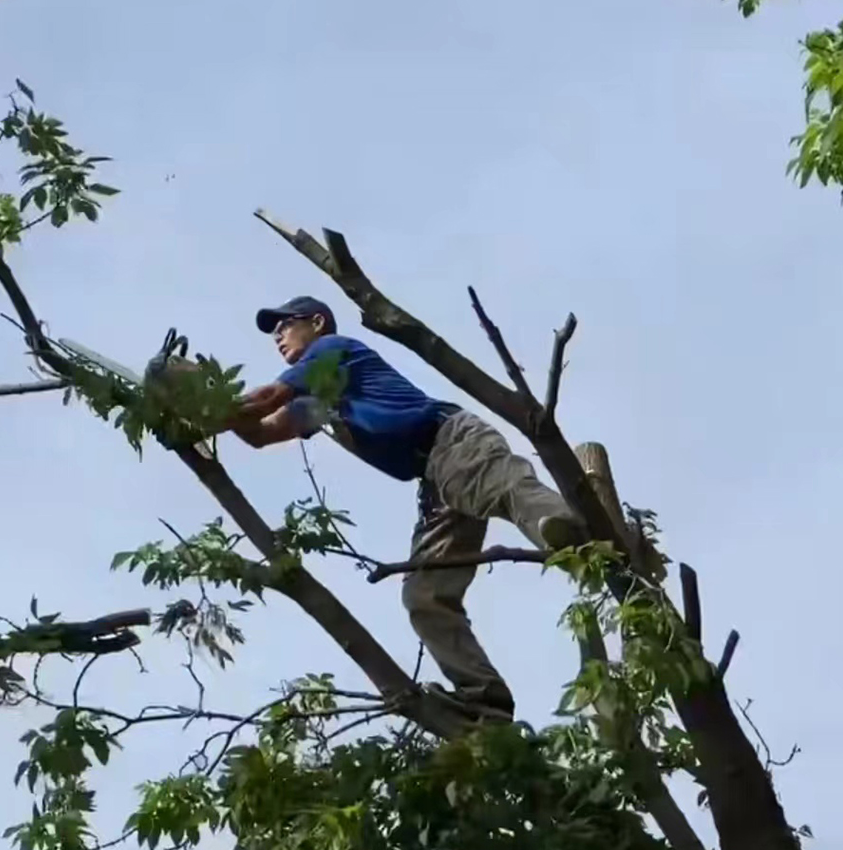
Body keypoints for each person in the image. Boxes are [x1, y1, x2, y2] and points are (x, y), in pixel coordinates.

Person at [225, 295, 586, 721]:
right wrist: (202, 408)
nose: (277, 336)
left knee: (501, 485)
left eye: (284, 325)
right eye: (273, 332)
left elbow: (268, 398)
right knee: (424, 594)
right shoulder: (318, 402)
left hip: (452, 439)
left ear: (317, 322)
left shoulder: (332, 350)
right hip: (433, 479)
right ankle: (485, 699)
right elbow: (260, 434)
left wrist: (213, 407)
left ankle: (573, 530)